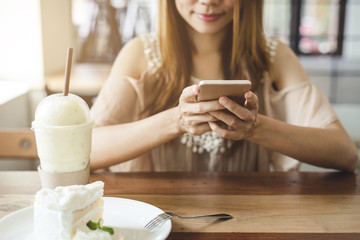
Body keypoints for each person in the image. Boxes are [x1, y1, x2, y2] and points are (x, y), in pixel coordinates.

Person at [90, 0, 357, 172]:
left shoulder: (273, 56)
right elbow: (86, 150)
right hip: (159, 219)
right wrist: (176, 121)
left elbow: (345, 154)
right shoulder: (140, 53)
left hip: (251, 218)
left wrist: (256, 127)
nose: (208, 2)